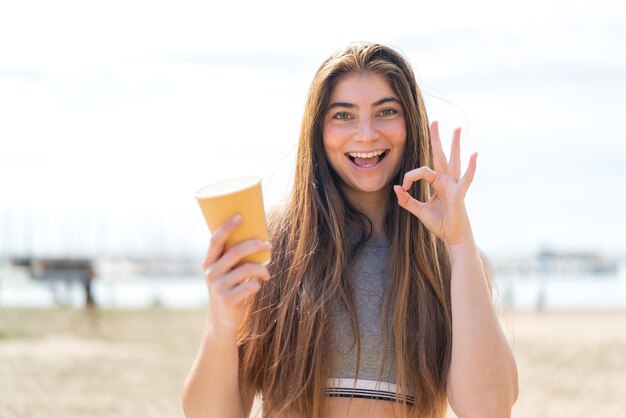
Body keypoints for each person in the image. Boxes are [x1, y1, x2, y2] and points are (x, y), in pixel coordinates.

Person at [182, 43, 518, 418]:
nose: (366, 134)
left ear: (411, 124)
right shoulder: (275, 245)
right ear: (318, 130)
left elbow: (489, 409)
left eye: (386, 111)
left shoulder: (448, 259)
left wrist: (460, 242)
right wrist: (222, 320)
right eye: (343, 115)